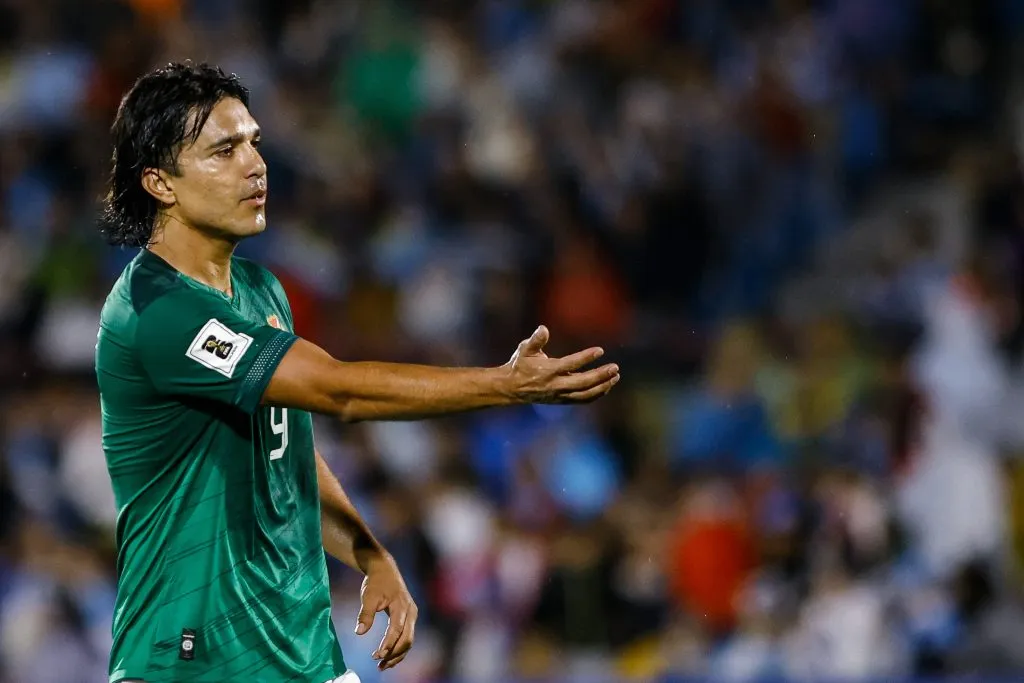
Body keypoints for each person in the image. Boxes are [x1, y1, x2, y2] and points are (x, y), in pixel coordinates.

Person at [94, 61, 620, 683]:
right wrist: (504, 385)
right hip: (194, 659)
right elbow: (336, 391)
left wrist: (368, 553)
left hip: (300, 649)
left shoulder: (261, 290)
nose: (256, 165)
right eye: (223, 151)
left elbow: (285, 451)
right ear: (160, 182)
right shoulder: (157, 311)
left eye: (255, 143)